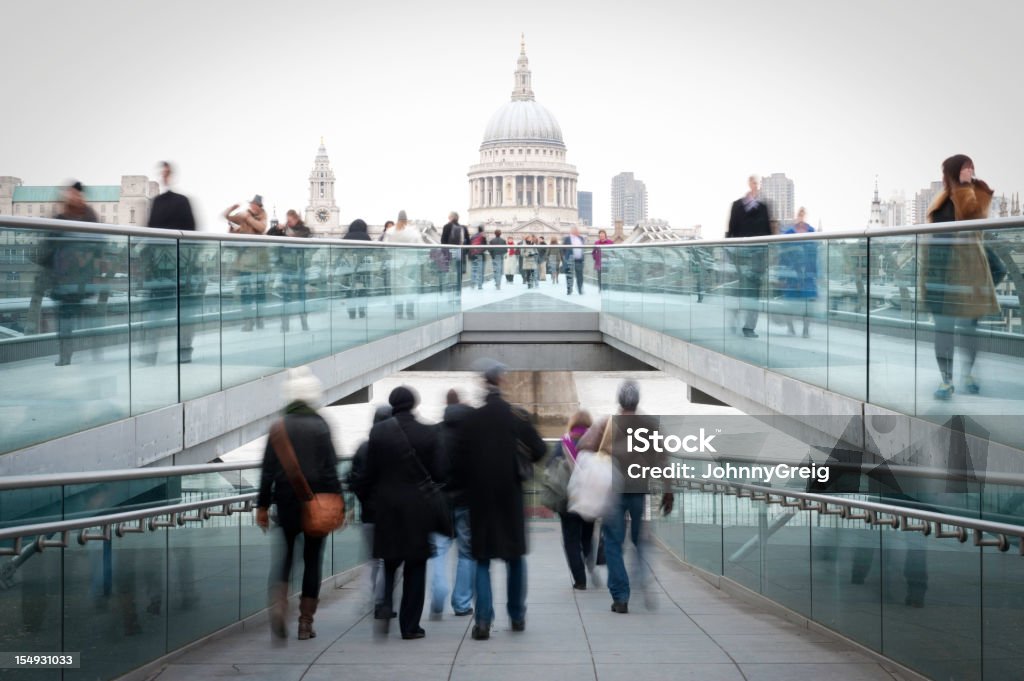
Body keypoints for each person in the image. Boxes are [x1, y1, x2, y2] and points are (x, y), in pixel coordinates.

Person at [452, 362, 546, 640]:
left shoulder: (471, 419)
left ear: (484, 383)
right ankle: (516, 616)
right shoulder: (517, 416)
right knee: (515, 558)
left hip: (480, 499)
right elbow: (540, 449)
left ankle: (482, 622)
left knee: (482, 558)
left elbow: (457, 462)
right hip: (511, 497)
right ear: (502, 382)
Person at [255, 367, 342, 641]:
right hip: (317, 504)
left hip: (287, 503)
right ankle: (305, 623)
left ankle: (280, 607)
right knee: (313, 560)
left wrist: (262, 506)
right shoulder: (321, 425)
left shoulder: (279, 427)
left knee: (286, 558)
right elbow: (330, 469)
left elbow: (267, 470)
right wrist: (339, 501)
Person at [579, 380, 673, 614]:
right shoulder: (649, 425)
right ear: (637, 400)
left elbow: (584, 445)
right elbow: (663, 458)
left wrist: (604, 452)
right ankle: (641, 579)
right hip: (639, 490)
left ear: (619, 400)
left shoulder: (607, 423)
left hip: (614, 491)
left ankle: (621, 596)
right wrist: (668, 490)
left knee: (613, 542)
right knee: (640, 540)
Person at [919, 154, 1000, 400]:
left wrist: (965, 186)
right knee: (942, 331)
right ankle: (947, 380)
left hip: (966, 274)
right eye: (964, 167)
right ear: (952, 171)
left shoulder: (978, 193)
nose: (970, 170)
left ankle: (968, 374)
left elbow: (973, 216)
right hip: (940, 275)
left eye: (971, 167)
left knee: (968, 330)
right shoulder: (942, 197)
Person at [363, 386, 440, 639]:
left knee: (390, 561)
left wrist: (370, 502)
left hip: (387, 508)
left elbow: (368, 475)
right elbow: (440, 473)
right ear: (414, 403)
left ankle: (385, 603)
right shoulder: (428, 433)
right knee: (416, 568)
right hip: (417, 510)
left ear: (393, 403)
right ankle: (410, 626)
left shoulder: (379, 432)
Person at [428, 389, 476, 619]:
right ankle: (462, 603)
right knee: (467, 554)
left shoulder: (435, 432)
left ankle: (438, 594)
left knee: (439, 549)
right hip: (467, 500)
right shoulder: (473, 436)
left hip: (440, 501)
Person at [345, 404, 393, 619]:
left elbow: (352, 479)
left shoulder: (363, 448)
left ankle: (367, 597)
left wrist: (362, 499)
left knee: (372, 560)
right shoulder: (394, 448)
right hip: (389, 514)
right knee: (387, 560)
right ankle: (381, 602)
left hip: (368, 514)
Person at [45, 181, 100, 365]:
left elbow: (98, 242)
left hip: (81, 278)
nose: (73, 197)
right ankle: (66, 355)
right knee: (65, 321)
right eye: (71, 193)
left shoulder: (88, 215)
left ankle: (91, 354)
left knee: (82, 319)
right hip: (64, 279)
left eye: (76, 193)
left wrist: (86, 257)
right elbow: (50, 244)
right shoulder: (61, 216)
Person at [552, 410, 599, 590]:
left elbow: (551, 468)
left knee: (571, 539)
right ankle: (589, 561)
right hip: (590, 497)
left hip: (568, 500)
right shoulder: (596, 443)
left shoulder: (563, 443)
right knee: (587, 535)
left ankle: (580, 580)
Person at [727, 176, 772, 337]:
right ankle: (735, 316)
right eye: (753, 182)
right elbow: (730, 232)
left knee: (754, 293)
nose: (756, 185)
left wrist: (766, 260)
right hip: (740, 257)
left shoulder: (763, 208)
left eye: (758, 183)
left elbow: (769, 234)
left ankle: (749, 327)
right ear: (749, 184)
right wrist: (731, 257)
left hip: (757, 258)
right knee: (741, 290)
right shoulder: (737, 206)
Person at [225, 195, 268, 331]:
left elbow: (261, 228)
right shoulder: (244, 214)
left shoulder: (262, 215)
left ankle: (259, 319)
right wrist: (231, 210)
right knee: (245, 292)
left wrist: (247, 219)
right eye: (251, 204)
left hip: (259, 262)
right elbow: (227, 217)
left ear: (259, 206)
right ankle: (248, 322)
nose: (252, 206)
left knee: (260, 293)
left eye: (254, 204)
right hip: (244, 261)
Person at [780, 207, 818, 338]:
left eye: (803, 214)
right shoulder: (789, 232)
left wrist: (816, 274)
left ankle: (805, 330)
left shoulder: (812, 231)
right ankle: (791, 329)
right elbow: (782, 255)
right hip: (792, 274)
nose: (801, 216)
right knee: (788, 303)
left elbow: (815, 255)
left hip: (807, 274)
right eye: (799, 214)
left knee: (809, 304)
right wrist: (782, 276)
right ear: (797, 216)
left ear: (805, 215)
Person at [275, 210, 313, 331]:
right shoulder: (284, 230)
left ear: (296, 219)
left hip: (300, 268)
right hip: (286, 268)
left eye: (290, 220)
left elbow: (304, 238)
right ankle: (285, 325)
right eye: (287, 220)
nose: (288, 222)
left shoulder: (304, 230)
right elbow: (269, 235)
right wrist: (277, 229)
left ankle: (304, 323)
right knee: (286, 297)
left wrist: (290, 235)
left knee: (301, 297)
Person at [383, 210, 423, 320]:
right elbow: (420, 245)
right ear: (406, 219)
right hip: (411, 263)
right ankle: (410, 313)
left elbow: (386, 247)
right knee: (411, 288)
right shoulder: (413, 231)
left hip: (396, 264)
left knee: (397, 289)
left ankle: (399, 313)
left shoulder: (390, 231)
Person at [343, 218, 372, 319]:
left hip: (349, 268)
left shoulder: (346, 237)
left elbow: (342, 252)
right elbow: (371, 251)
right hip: (363, 267)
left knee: (350, 291)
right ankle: (362, 311)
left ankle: (351, 312)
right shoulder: (366, 237)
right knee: (362, 290)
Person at [441, 211, 470, 287]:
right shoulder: (463, 228)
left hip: (449, 253)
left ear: (451, 218)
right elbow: (468, 242)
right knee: (459, 271)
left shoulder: (446, 226)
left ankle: (449, 286)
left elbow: (443, 241)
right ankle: (458, 286)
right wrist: (465, 252)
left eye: (449, 217)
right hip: (460, 253)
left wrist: (444, 253)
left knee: (450, 270)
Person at [562, 225, 586, 295]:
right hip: (570, 259)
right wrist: (565, 257)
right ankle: (569, 290)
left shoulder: (581, 238)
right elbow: (563, 249)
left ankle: (580, 289)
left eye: (577, 230)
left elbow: (583, 248)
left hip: (579, 260)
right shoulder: (567, 238)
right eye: (574, 230)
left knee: (580, 275)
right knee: (569, 275)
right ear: (571, 231)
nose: (576, 232)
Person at [469, 225, 487, 290]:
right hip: (480, 255)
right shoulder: (482, 236)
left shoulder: (473, 236)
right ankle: (480, 286)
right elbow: (485, 246)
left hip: (473, 254)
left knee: (473, 270)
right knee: (480, 271)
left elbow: (469, 245)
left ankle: (472, 284)